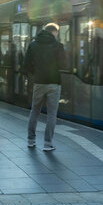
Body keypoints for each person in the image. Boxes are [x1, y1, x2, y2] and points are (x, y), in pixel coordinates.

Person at [24, 23, 67, 151]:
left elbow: (26, 64)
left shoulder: (33, 45)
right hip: (54, 83)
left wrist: (36, 73)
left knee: (35, 111)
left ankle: (31, 140)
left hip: (39, 82)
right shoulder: (58, 46)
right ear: (54, 32)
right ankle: (48, 143)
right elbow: (63, 64)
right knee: (52, 114)